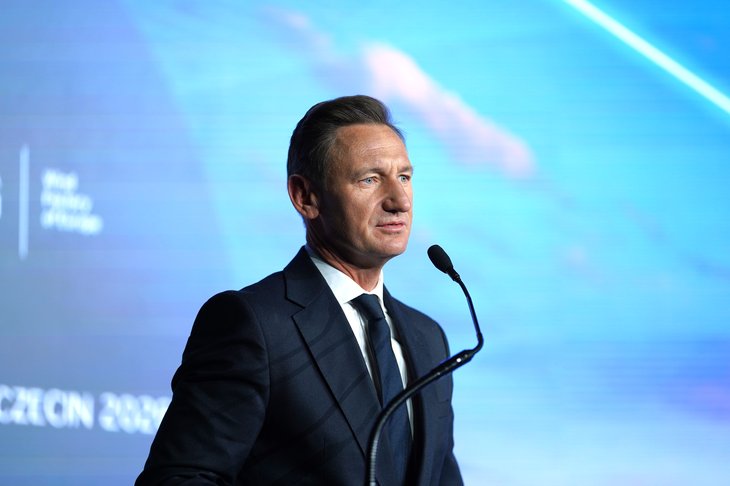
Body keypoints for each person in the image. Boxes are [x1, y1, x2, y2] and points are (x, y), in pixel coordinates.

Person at [136, 95, 463, 485]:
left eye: (404, 177)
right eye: (370, 179)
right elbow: (180, 479)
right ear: (305, 197)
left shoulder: (428, 339)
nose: (400, 201)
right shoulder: (254, 324)